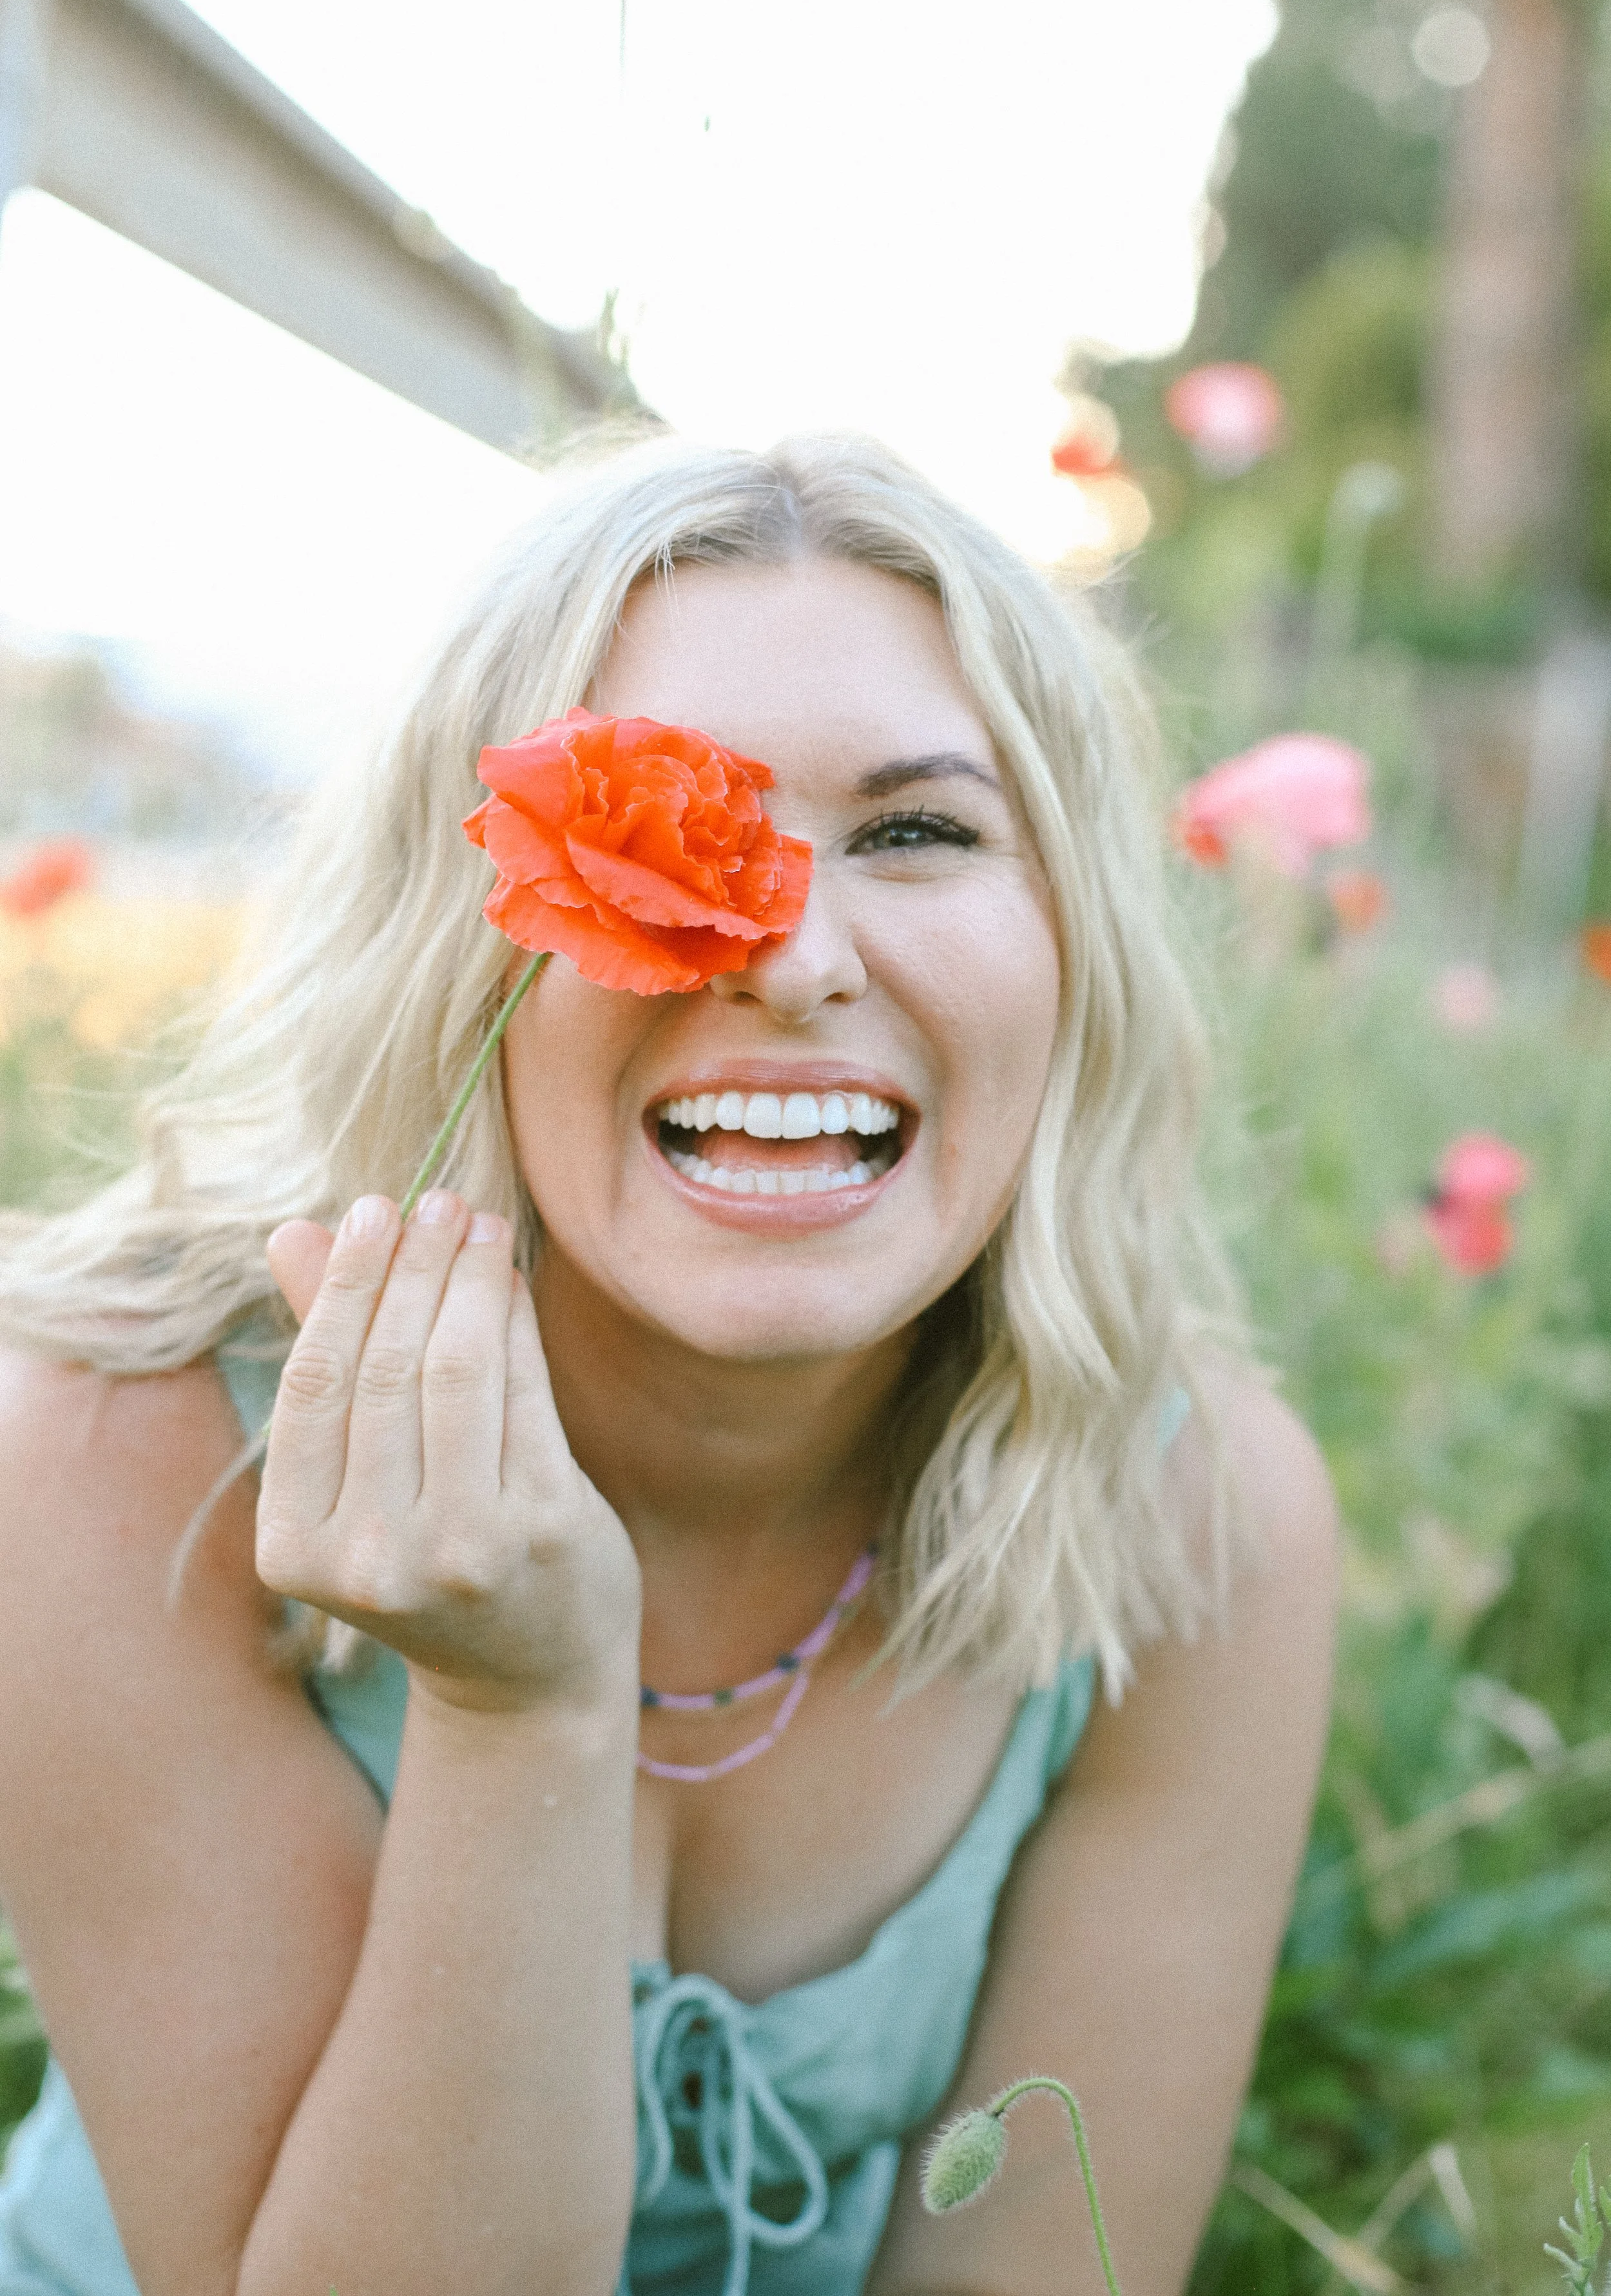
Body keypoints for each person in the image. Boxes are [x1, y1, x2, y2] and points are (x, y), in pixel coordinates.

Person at [0, 436, 1336, 2296]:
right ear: (457, 940)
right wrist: (519, 1712)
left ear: (1074, 951)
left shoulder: (1200, 1521)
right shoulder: (111, 1443)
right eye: (657, 832)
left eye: (916, 830)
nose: (786, 952)